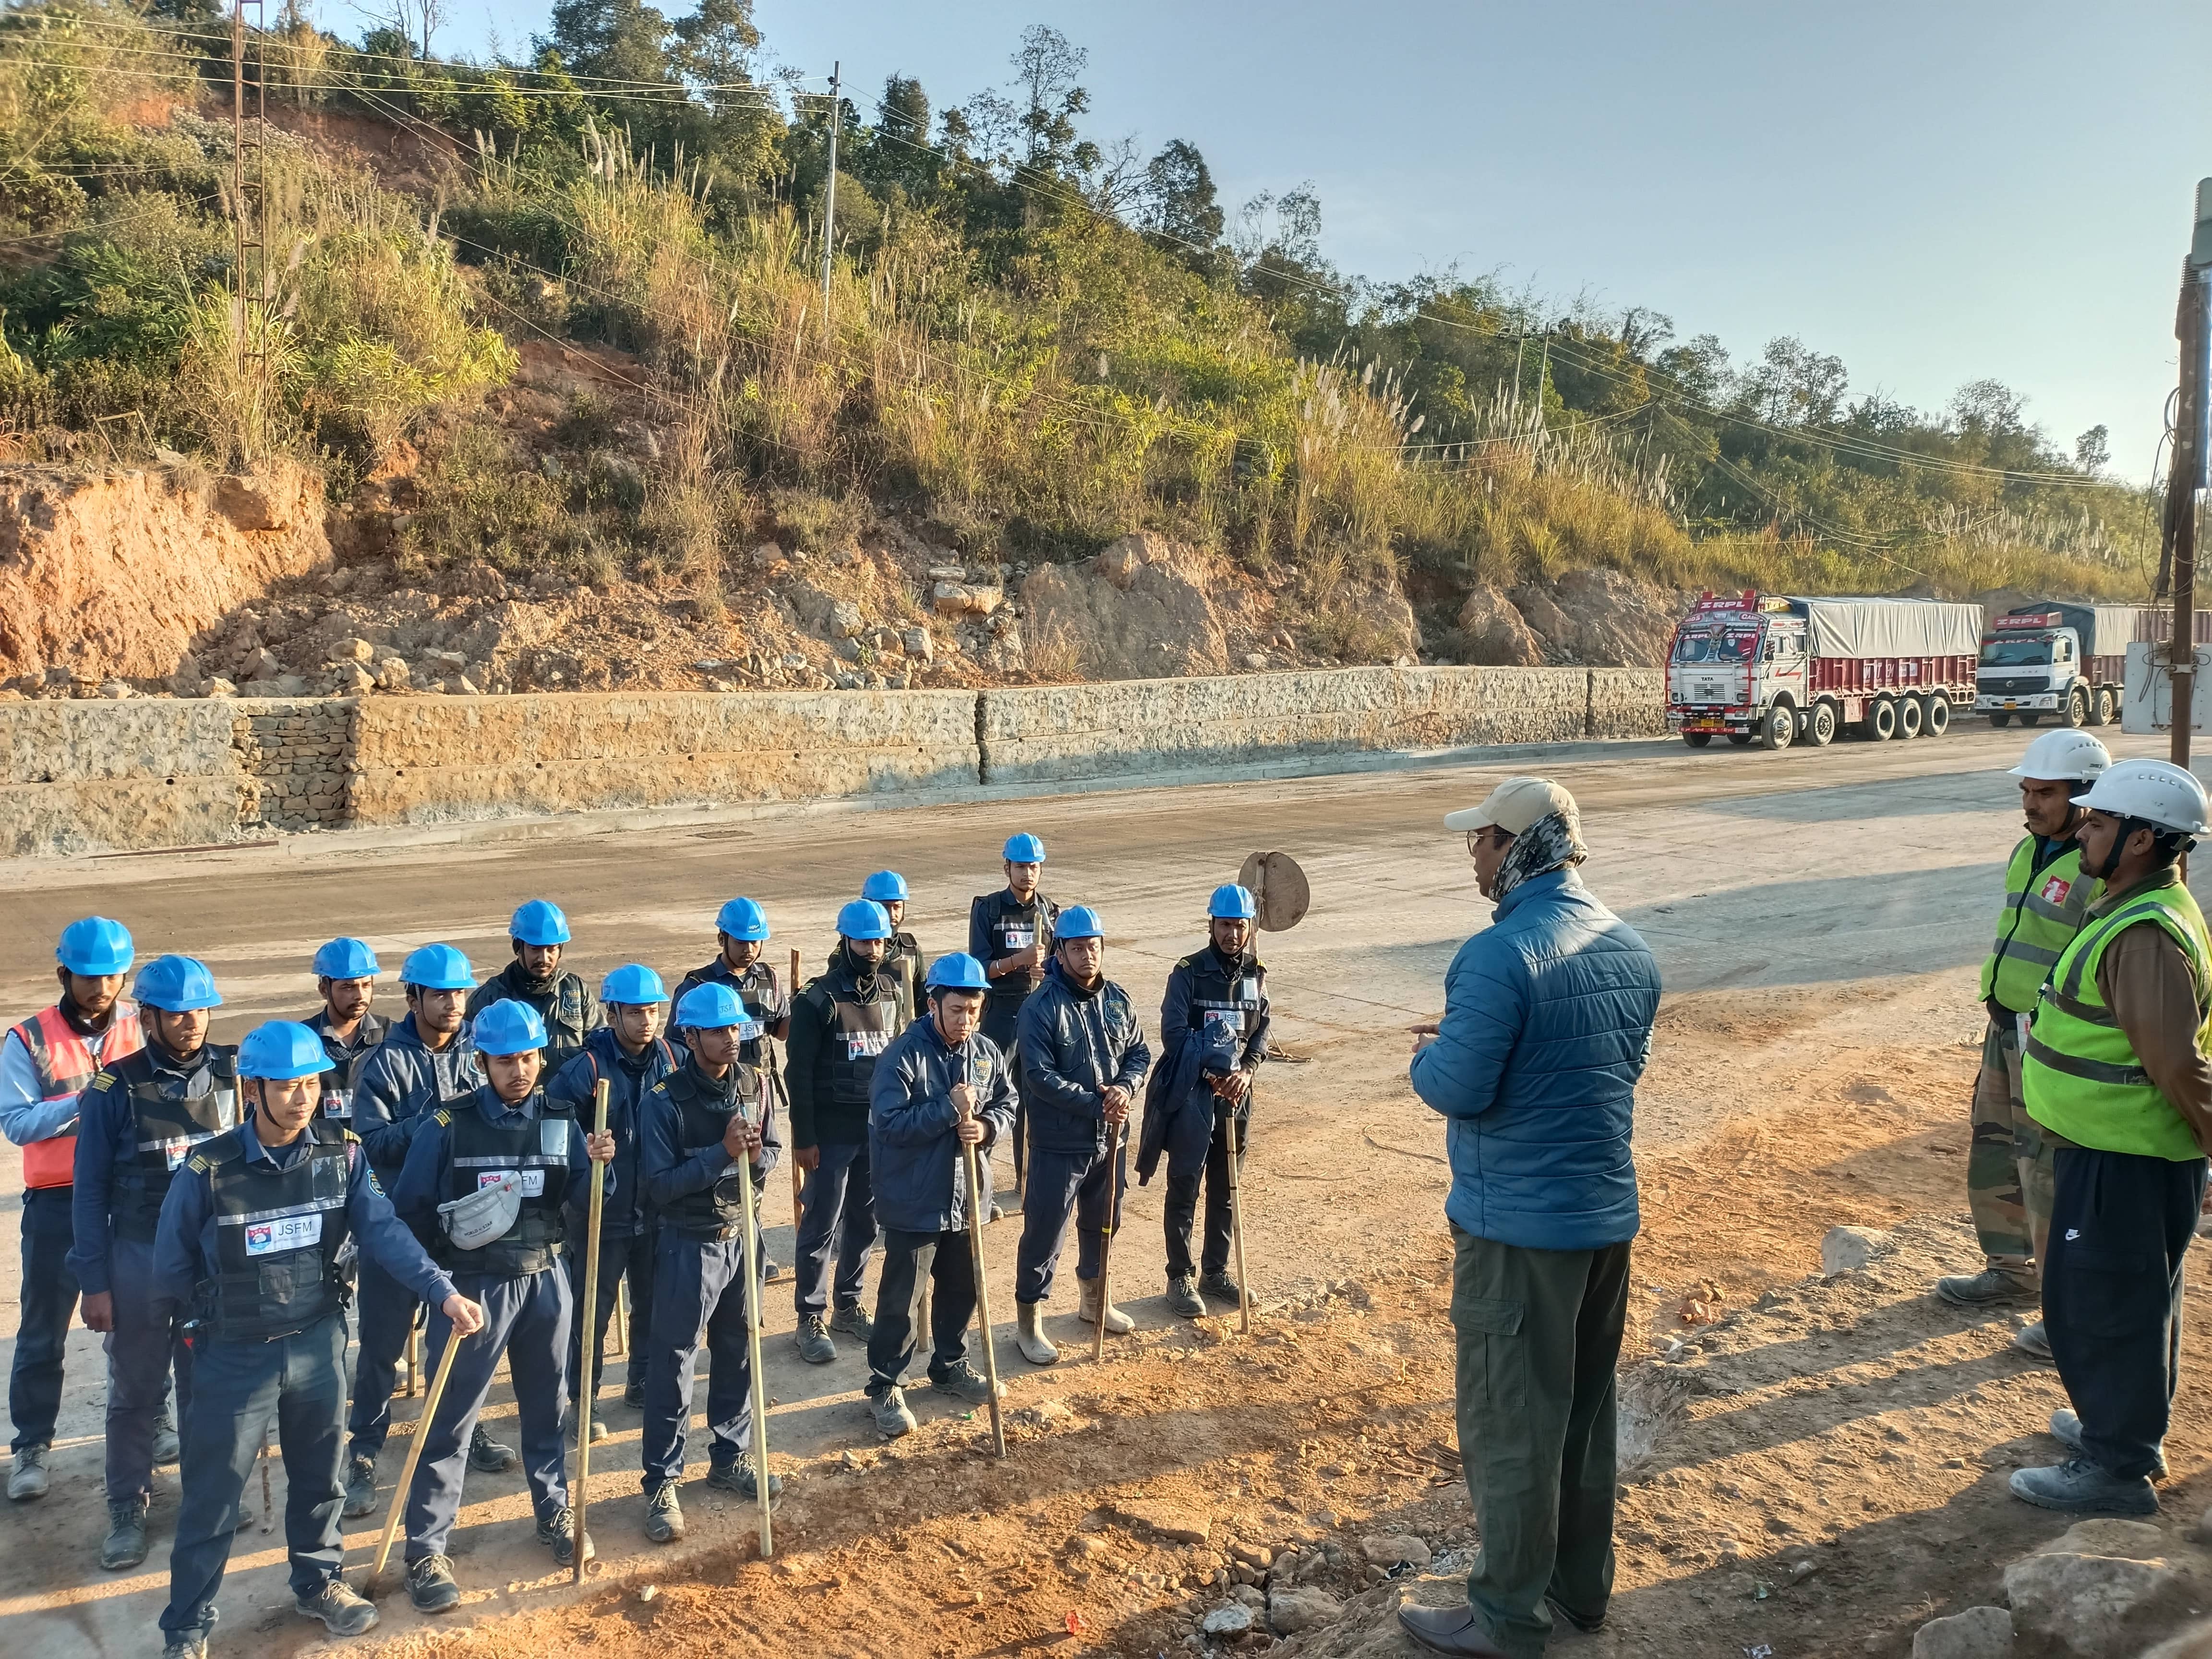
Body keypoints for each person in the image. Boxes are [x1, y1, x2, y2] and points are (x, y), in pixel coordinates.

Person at [1398, 776, 1661, 1659]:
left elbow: (1460, 1088)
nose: (1471, 855)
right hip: (1602, 1223)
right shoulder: (1629, 947)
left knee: (1511, 1424)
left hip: (1516, 1233)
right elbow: (1613, 1068)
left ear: (1515, 849)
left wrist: (1429, 1055)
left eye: (1480, 840)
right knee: (1582, 1416)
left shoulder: (1497, 955)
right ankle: (1579, 1592)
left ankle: (1507, 1619)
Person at [151, 1022, 487, 1659]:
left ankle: (318, 1583)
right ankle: (188, 1627)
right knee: (214, 1494)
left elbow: (384, 1231)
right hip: (233, 1354)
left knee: (320, 1478)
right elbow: (170, 1269)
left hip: (316, 1345)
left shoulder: (343, 1153)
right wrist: (202, 1337)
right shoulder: (209, 1169)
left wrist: (441, 1291)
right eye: (286, 1086)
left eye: (310, 1083)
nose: (301, 1098)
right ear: (253, 1090)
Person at [2012, 759, 2212, 1516]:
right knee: (2133, 1298)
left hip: (2124, 1157)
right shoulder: (2137, 908)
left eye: (2097, 823)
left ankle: (2116, 1465)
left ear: (2141, 840)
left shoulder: (2145, 934)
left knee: (2103, 1307)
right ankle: (2124, 1432)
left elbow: (2175, 1062)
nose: (2083, 834)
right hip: (2120, 1151)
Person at [389, 999, 616, 1611]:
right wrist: (438, 1288)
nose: (519, 1071)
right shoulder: (447, 1125)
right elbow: (409, 1213)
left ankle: (555, 1513)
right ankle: (427, 1549)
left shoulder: (562, 1120)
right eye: (506, 1060)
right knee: (451, 1421)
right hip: (473, 1290)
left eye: (529, 1058)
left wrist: (601, 1167)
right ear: (482, 1063)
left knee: (549, 1408)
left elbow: (587, 1200)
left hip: (546, 1280)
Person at [1939, 731, 2110, 1367]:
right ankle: (2011, 1271)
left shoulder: (2098, 870)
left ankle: (2067, 1314)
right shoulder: (2029, 850)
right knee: (1995, 1147)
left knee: (2048, 1170)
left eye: (2046, 793)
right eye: (2027, 790)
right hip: (2007, 1027)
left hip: (2052, 1041)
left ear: (2085, 798)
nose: (2031, 803)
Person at [71, 954, 239, 1572]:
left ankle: (204, 1495)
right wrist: (95, 1283)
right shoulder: (114, 1090)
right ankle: (127, 1504)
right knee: (137, 1388)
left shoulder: (234, 1074)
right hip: (139, 1258)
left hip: (211, 1260)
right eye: (176, 1013)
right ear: (148, 1017)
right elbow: (88, 1194)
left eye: (199, 1010)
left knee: (208, 1385)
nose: (191, 1022)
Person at [344, 944, 513, 1519]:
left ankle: (468, 1426)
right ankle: (365, 1449)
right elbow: (371, 1143)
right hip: (400, 1224)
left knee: (463, 1337)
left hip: (465, 1223)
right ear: (413, 998)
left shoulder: (478, 1051)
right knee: (382, 1345)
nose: (452, 1004)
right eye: (440, 994)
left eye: (459, 993)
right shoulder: (384, 1064)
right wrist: (436, 1122)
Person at [2, 916, 145, 1504]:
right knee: (42, 1331)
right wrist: (82, 1104)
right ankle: (32, 1445)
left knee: (140, 1322)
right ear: (64, 974)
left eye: (112, 977)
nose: (101, 988)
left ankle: (154, 1418)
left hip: (126, 1198)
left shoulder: (142, 1026)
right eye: (89, 977)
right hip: (57, 1203)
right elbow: (16, 1122)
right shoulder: (27, 1039)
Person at [635, 983, 783, 1544]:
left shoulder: (754, 1083)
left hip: (743, 1236)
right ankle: (662, 1480)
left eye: (735, 1028)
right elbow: (659, 1186)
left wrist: (755, 1158)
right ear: (691, 1036)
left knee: (740, 1349)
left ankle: (730, 1456)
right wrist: (722, 1153)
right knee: (674, 1363)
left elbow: (772, 1149)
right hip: (688, 1245)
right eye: (718, 1030)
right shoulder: (663, 1102)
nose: (731, 1038)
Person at [862, 952, 1014, 1439]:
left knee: (963, 1288)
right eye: (956, 1010)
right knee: (902, 1300)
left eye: (974, 1010)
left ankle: (950, 1365)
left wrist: (986, 1128)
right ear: (933, 1005)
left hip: (968, 1197)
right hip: (915, 1198)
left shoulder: (986, 1052)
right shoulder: (902, 1056)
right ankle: (886, 1383)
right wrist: (948, 1109)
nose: (966, 1020)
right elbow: (889, 1125)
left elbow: (1008, 1102)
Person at [546, 964, 681, 1442]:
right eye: (636, 1012)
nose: (647, 1021)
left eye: (653, 1011)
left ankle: (642, 1380)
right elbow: (551, 1130)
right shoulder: (585, 1069)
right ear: (612, 1014)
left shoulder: (672, 1059)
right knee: (591, 1315)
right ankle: (583, 1399)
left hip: (656, 1211)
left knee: (652, 1304)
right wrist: (583, 1151)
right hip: (601, 1215)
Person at [1011, 906, 1151, 1361]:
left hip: (1111, 1139)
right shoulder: (1040, 1008)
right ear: (1061, 953)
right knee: (1045, 1232)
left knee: (1104, 1223)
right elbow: (1038, 1076)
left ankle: (1095, 1302)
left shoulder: (1118, 1000)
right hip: (1060, 1143)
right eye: (1077, 948)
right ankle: (1029, 1323)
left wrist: (1125, 1088)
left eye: (1093, 947)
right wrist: (1097, 1104)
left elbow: (1139, 1052)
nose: (1087, 956)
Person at [1137, 884, 1271, 1319]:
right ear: (1211, 924)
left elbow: (1261, 1030)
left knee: (1227, 1187)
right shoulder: (1188, 972)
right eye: (1225, 925)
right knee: (1185, 1185)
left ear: (1250, 928)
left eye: (1240, 926)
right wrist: (1214, 1074)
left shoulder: (1255, 973)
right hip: (1193, 1096)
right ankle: (1180, 1276)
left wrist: (1246, 1071)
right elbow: (1174, 1035)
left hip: (1237, 1095)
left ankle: (1216, 1272)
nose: (1233, 935)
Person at [785, 900, 901, 1364]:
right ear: (845, 941)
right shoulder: (817, 1000)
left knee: (866, 1222)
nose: (872, 950)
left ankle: (848, 1305)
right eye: (864, 942)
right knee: (821, 1224)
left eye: (879, 942)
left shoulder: (893, 993)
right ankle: (809, 1316)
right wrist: (804, 1138)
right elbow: (799, 1074)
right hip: (829, 1135)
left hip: (876, 1131)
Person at [673, 897, 790, 1278]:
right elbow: (676, 1045)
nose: (749, 949)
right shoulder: (697, 986)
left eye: (755, 942)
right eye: (741, 941)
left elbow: (781, 1030)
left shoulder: (770, 979)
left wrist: (801, 1007)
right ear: (722, 938)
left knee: (756, 1170)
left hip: (755, 1093)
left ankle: (754, 1249)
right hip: (709, 1094)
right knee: (719, 1174)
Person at [970, 833, 1058, 1205]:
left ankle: (1028, 1182)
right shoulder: (989, 909)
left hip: (1038, 1012)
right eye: (1020, 867)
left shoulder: (1049, 912)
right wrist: (1017, 962)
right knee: (989, 1097)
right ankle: (978, 1192)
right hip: (1001, 1013)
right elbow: (978, 969)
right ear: (1007, 868)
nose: (1027, 874)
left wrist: (1047, 971)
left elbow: (1062, 963)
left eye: (1033, 867)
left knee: (1033, 1099)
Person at [466, 900, 601, 1075]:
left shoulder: (576, 990)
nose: (544, 958)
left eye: (551, 949)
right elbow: (469, 1062)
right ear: (518, 947)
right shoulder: (488, 998)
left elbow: (600, 1048)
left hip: (570, 1093)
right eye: (535, 949)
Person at [303, 937, 386, 1127]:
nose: (360, 995)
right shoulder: (304, 1041)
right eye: (348, 987)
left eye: (366, 985)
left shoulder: (392, 1037)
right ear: (324, 990)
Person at [862, 870, 925, 1027]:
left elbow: (922, 1001)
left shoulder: (911, 949)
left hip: (904, 1035)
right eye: (885, 907)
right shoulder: (853, 953)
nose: (892, 914)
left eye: (897, 907)